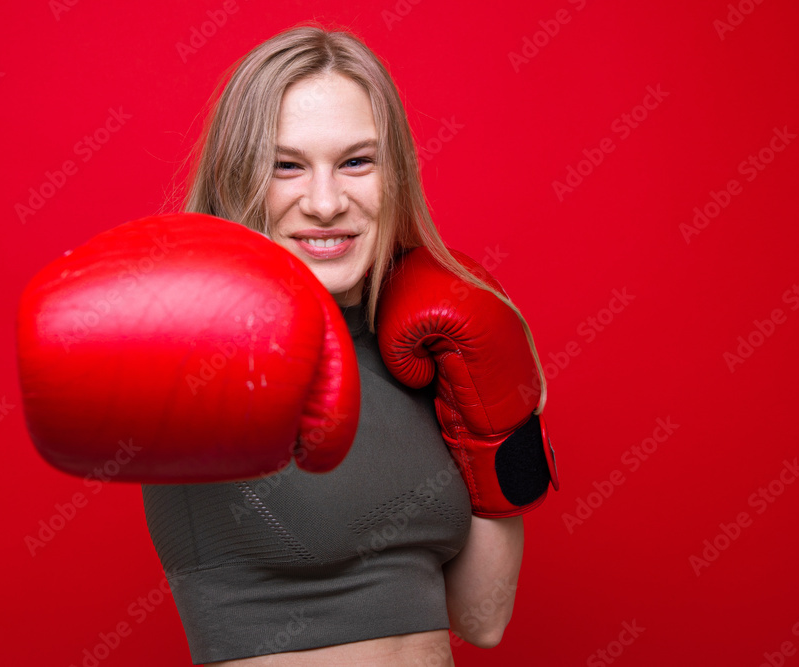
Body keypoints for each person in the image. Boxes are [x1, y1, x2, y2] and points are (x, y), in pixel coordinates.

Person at [137, 24, 558, 666]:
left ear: (395, 174)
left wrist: (505, 426)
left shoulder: (419, 352)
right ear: (234, 178)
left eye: (356, 161)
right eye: (286, 165)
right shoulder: (202, 352)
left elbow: (482, 619)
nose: (327, 202)